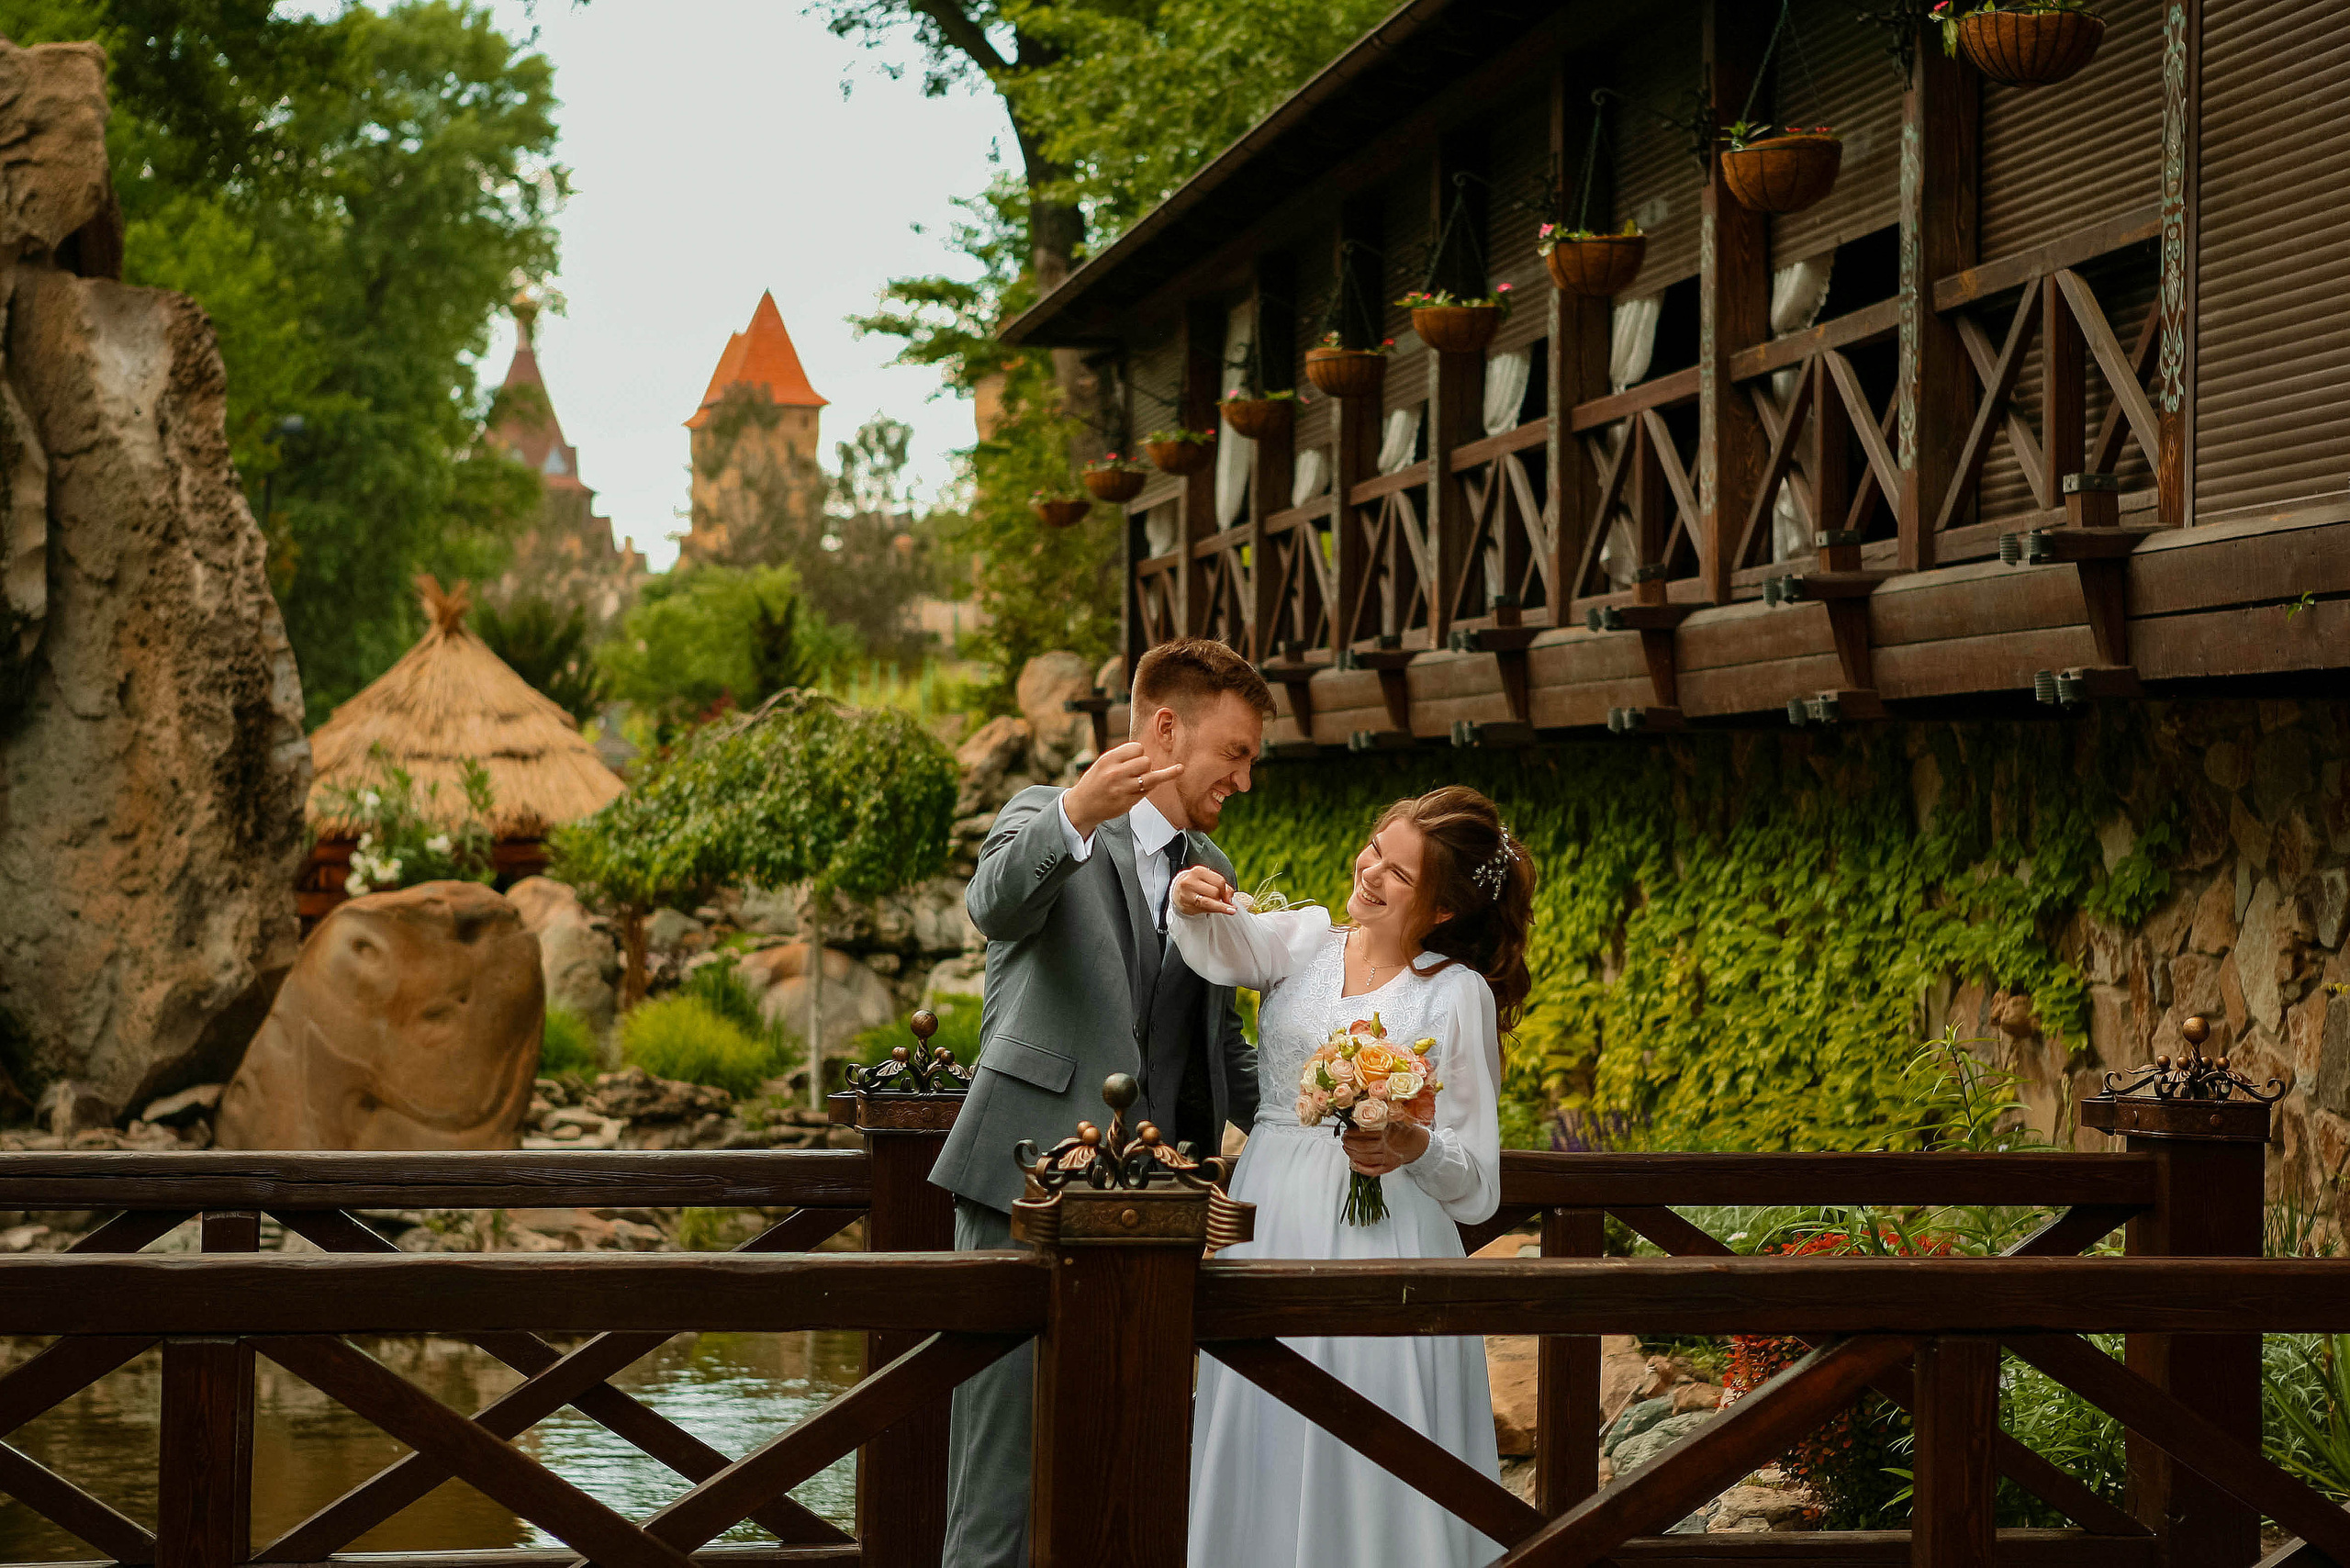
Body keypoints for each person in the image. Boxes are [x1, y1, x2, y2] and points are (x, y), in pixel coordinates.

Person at [933, 636, 1275, 1567]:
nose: (1244, 778)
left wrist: (1315, 1121)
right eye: (1234, 753)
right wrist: (1079, 811)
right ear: (1165, 729)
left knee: (1128, 1464)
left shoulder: (1214, 864)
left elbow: (1219, 1043)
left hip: (1153, 1214)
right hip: (1021, 1183)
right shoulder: (1043, 814)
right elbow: (993, 905)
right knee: (1000, 1476)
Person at [1167, 785, 1537, 1568]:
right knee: (1263, 1414)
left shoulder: (1456, 993)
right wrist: (1189, 896)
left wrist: (1411, 1144)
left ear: (1441, 908)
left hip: (1389, 1237)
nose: (1369, 872)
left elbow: (1479, 1187)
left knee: (1376, 1427)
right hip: (1270, 1218)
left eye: (1398, 874)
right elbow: (1218, 944)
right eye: (1375, 849)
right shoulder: (1302, 941)